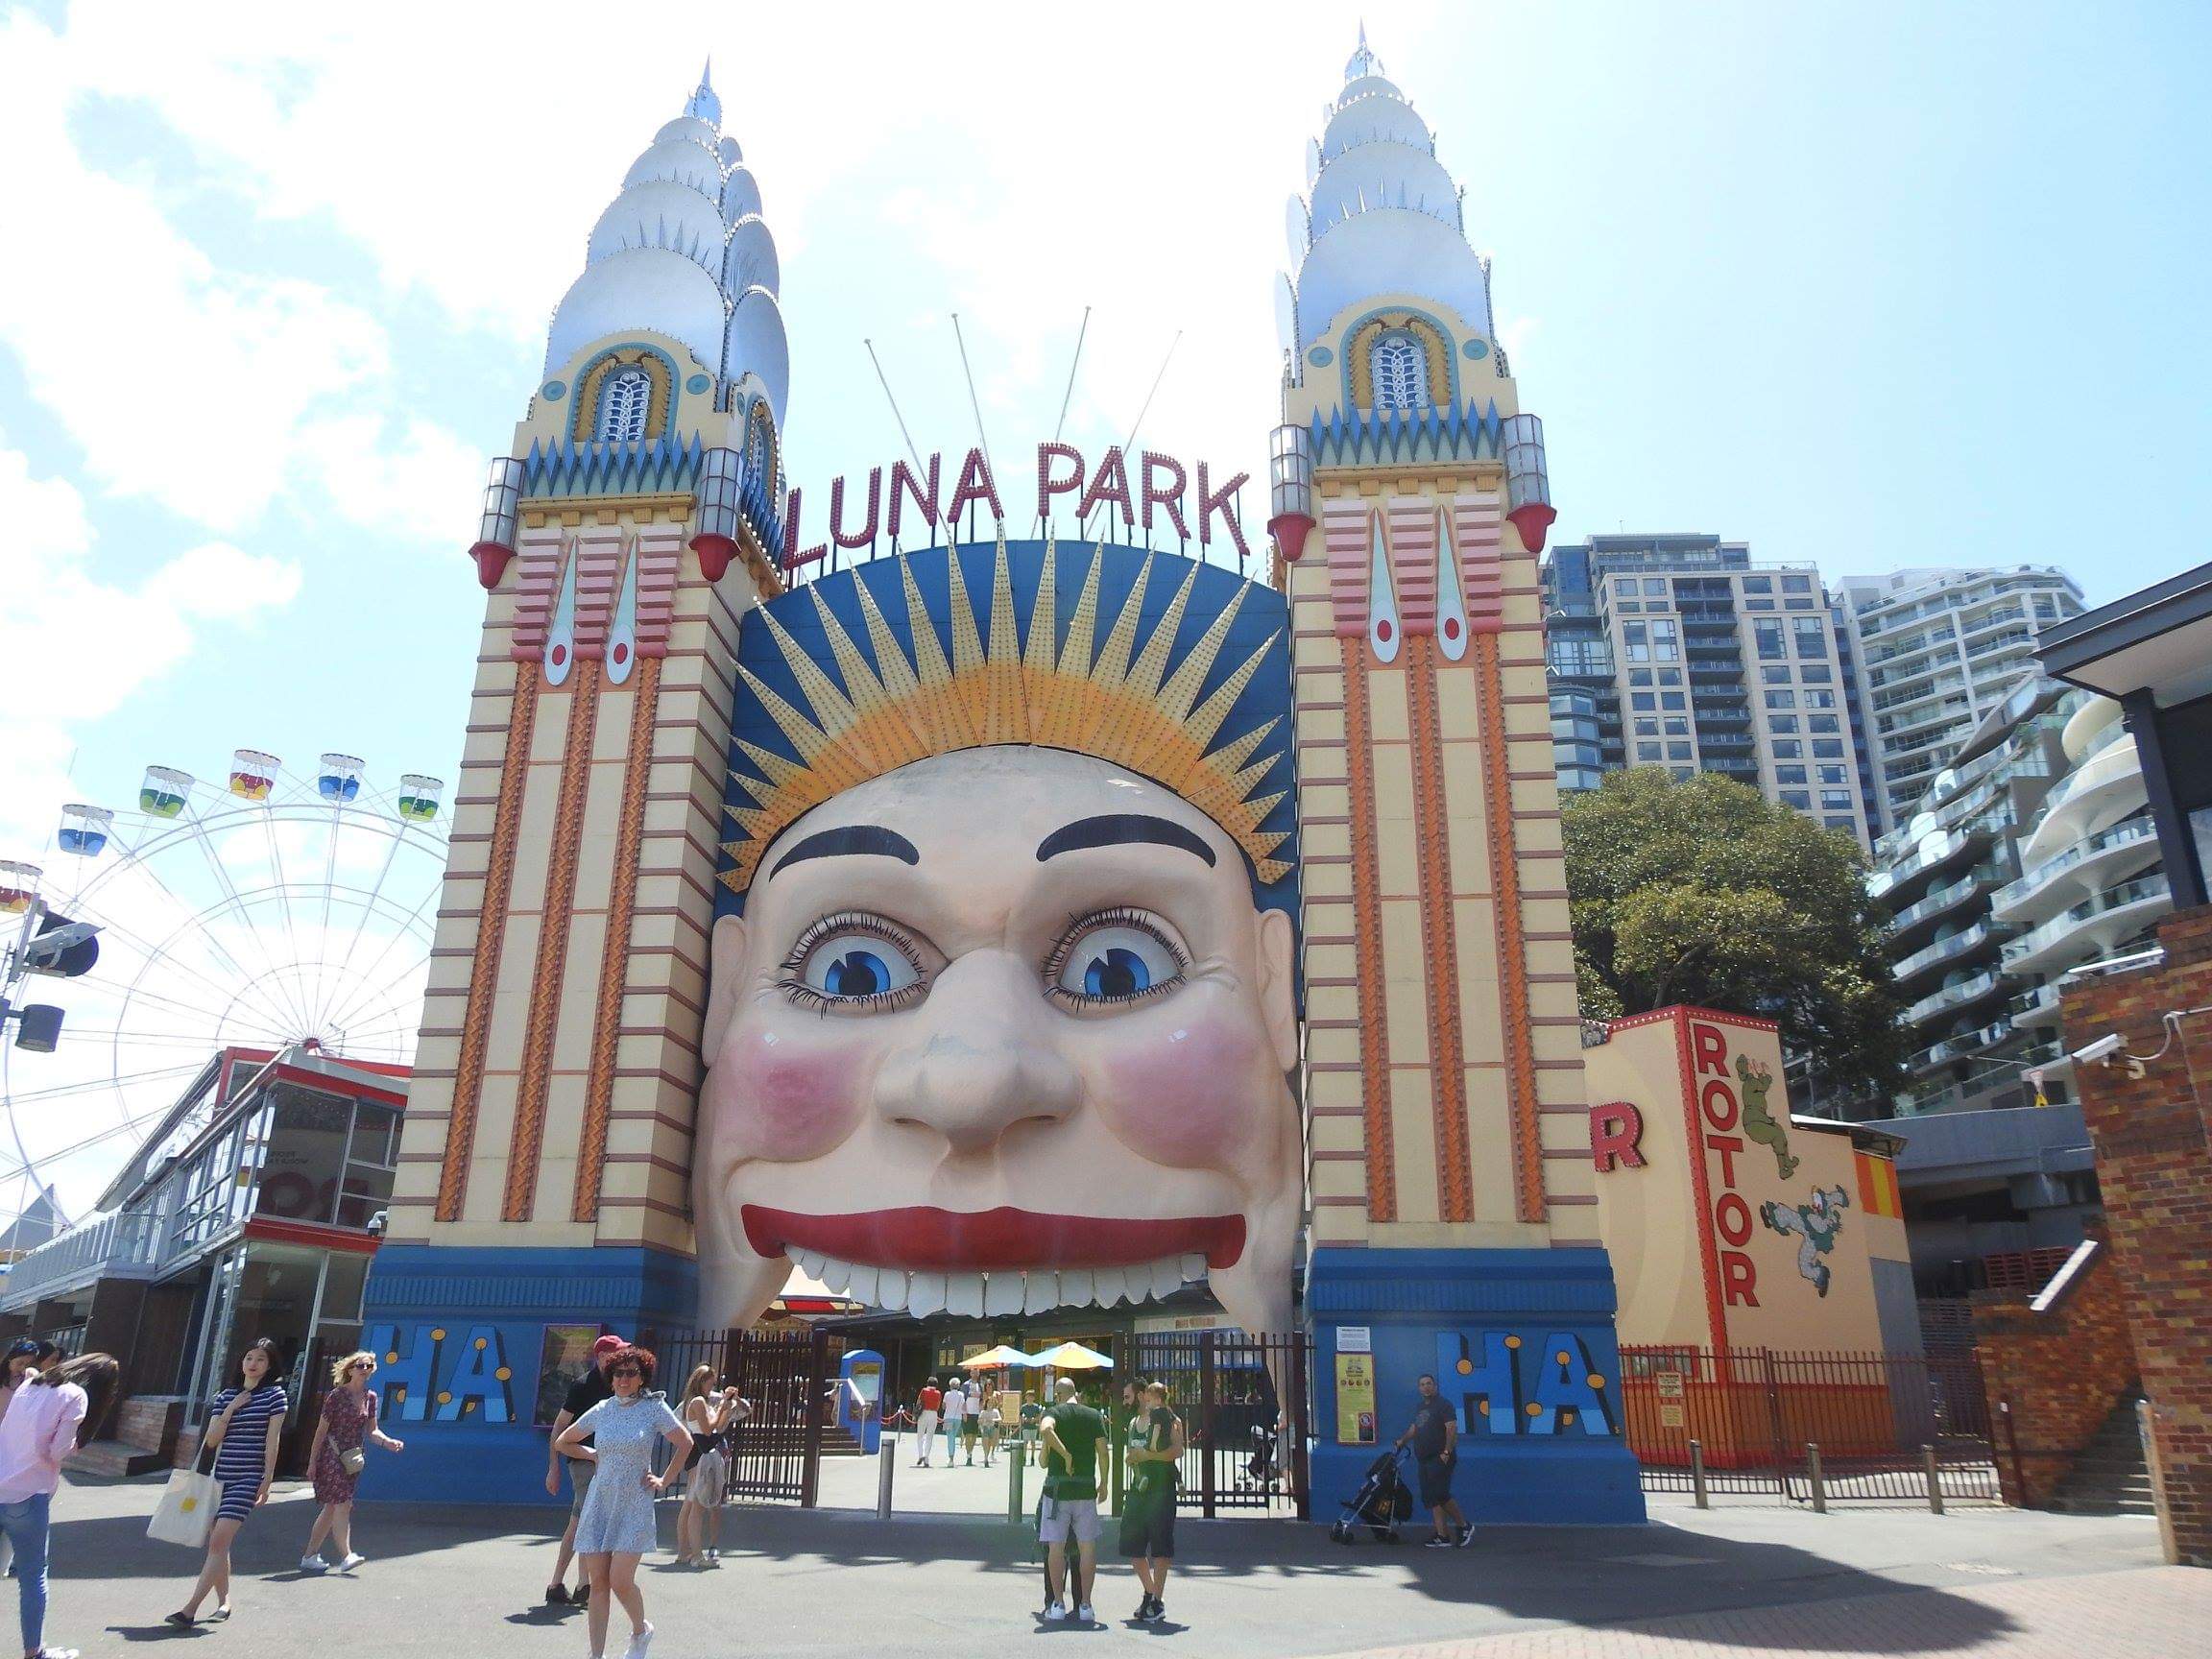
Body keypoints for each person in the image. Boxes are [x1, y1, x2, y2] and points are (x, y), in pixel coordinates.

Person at [553, 1345, 691, 1659]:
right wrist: (591, 1454)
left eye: (631, 1373)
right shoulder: (603, 1409)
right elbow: (563, 1441)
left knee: (620, 1581)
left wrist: (664, 1480)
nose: (624, 1379)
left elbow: (685, 1442)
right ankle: (596, 1654)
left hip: (634, 1504)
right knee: (598, 1583)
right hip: (600, 1502)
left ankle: (641, 1630)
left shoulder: (653, 1408)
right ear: (611, 1378)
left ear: (642, 1378)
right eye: (618, 1373)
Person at [0, 1351, 117, 1659]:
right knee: (32, 1576)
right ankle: (34, 1651)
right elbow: (57, 1451)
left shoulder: (31, 1384)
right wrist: (73, 1444)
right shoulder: (76, 1395)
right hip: (28, 1494)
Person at [167, 1337, 289, 1626]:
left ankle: (190, 1610)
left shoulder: (274, 1396)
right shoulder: (225, 1396)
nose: (253, 1364)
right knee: (218, 1545)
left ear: (270, 1365)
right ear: (241, 1362)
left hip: (247, 1478)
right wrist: (231, 1408)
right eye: (249, 1358)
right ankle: (224, 1602)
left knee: (219, 1540)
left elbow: (272, 1441)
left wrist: (267, 1480)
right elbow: (211, 1440)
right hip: (219, 1478)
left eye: (260, 1359)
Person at [299, 1351, 404, 1574]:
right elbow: (321, 1431)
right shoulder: (336, 1396)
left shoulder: (370, 1397)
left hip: (352, 1458)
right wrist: (312, 1462)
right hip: (331, 1454)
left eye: (369, 1366)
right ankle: (346, 1555)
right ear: (350, 1369)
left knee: (331, 1508)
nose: (364, 1369)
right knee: (343, 1504)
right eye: (360, 1366)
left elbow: (372, 1430)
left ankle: (309, 1556)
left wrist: (387, 1442)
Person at [543, 1334, 625, 1606]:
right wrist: (553, 1467)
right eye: (616, 1353)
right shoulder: (583, 1386)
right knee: (582, 1521)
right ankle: (563, 1584)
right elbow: (559, 1427)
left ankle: (578, 1585)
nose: (621, 1358)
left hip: (606, 1463)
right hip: (583, 1462)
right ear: (602, 1357)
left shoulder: (617, 1385)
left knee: (588, 1521)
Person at [1037, 1377, 1107, 1624]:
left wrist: (1065, 1455)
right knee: (1087, 1547)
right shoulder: (1093, 1416)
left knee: (1055, 1547)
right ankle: (1086, 1604)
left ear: (1058, 1394)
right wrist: (1104, 1482)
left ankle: (1057, 1602)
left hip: (1057, 1491)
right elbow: (1103, 1451)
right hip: (1085, 1489)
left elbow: (1046, 1430)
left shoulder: (1053, 1413)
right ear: (1075, 1392)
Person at [1119, 1381, 1183, 1623]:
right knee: (1133, 1546)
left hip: (1162, 1490)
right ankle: (1152, 1594)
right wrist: (1132, 1459)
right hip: (1139, 1490)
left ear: (1143, 1396)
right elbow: (1131, 1453)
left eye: (1128, 1397)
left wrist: (1148, 1455)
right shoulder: (1133, 1423)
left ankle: (1156, 1600)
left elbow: (1177, 1451)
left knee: (1161, 1546)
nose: (1125, 1402)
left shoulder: (1170, 1420)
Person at [673, 1367, 745, 1568]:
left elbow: (718, 1427)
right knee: (696, 1506)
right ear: (701, 1381)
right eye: (710, 1383)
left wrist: (726, 1406)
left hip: (704, 1452)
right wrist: (721, 1407)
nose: (712, 1387)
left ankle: (685, 1552)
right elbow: (707, 1429)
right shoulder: (697, 1401)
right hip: (700, 1453)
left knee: (692, 1504)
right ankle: (696, 1555)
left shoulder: (702, 1402)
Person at [1394, 1373, 1472, 1549]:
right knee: (1432, 1498)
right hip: (1424, 1459)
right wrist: (1402, 1441)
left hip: (1440, 1458)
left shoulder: (1444, 1405)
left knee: (1441, 1494)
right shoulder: (1421, 1407)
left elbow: (1451, 1428)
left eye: (1429, 1383)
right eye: (1422, 1384)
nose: (1426, 1387)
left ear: (1435, 1386)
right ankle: (1442, 1536)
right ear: (1419, 1388)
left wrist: (1447, 1452)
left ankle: (1464, 1526)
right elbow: (1415, 1428)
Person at [939, 1374, 966, 1467]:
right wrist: (964, 1414)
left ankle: (951, 1458)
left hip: (948, 1418)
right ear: (958, 1386)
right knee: (953, 1437)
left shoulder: (947, 1394)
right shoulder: (961, 1394)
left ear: (950, 1385)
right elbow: (963, 1406)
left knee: (950, 1438)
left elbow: (943, 1406)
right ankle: (951, 1458)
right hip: (958, 1418)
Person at [913, 1379, 941, 1467]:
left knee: (920, 1435)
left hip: (924, 1413)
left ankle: (920, 1455)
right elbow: (938, 1405)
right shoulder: (938, 1393)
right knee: (930, 1437)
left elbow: (918, 1402)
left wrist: (915, 1414)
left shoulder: (924, 1391)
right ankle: (927, 1457)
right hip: (934, 1414)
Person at [977, 1393, 1001, 1468]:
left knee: (990, 1444)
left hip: (992, 1428)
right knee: (985, 1443)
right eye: (989, 1403)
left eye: (991, 1403)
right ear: (986, 1403)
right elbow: (979, 1421)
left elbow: (1000, 1419)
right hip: (985, 1428)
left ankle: (987, 1456)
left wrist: (993, 1419)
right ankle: (986, 1458)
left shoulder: (995, 1411)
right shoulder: (983, 1412)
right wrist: (984, 1420)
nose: (990, 1404)